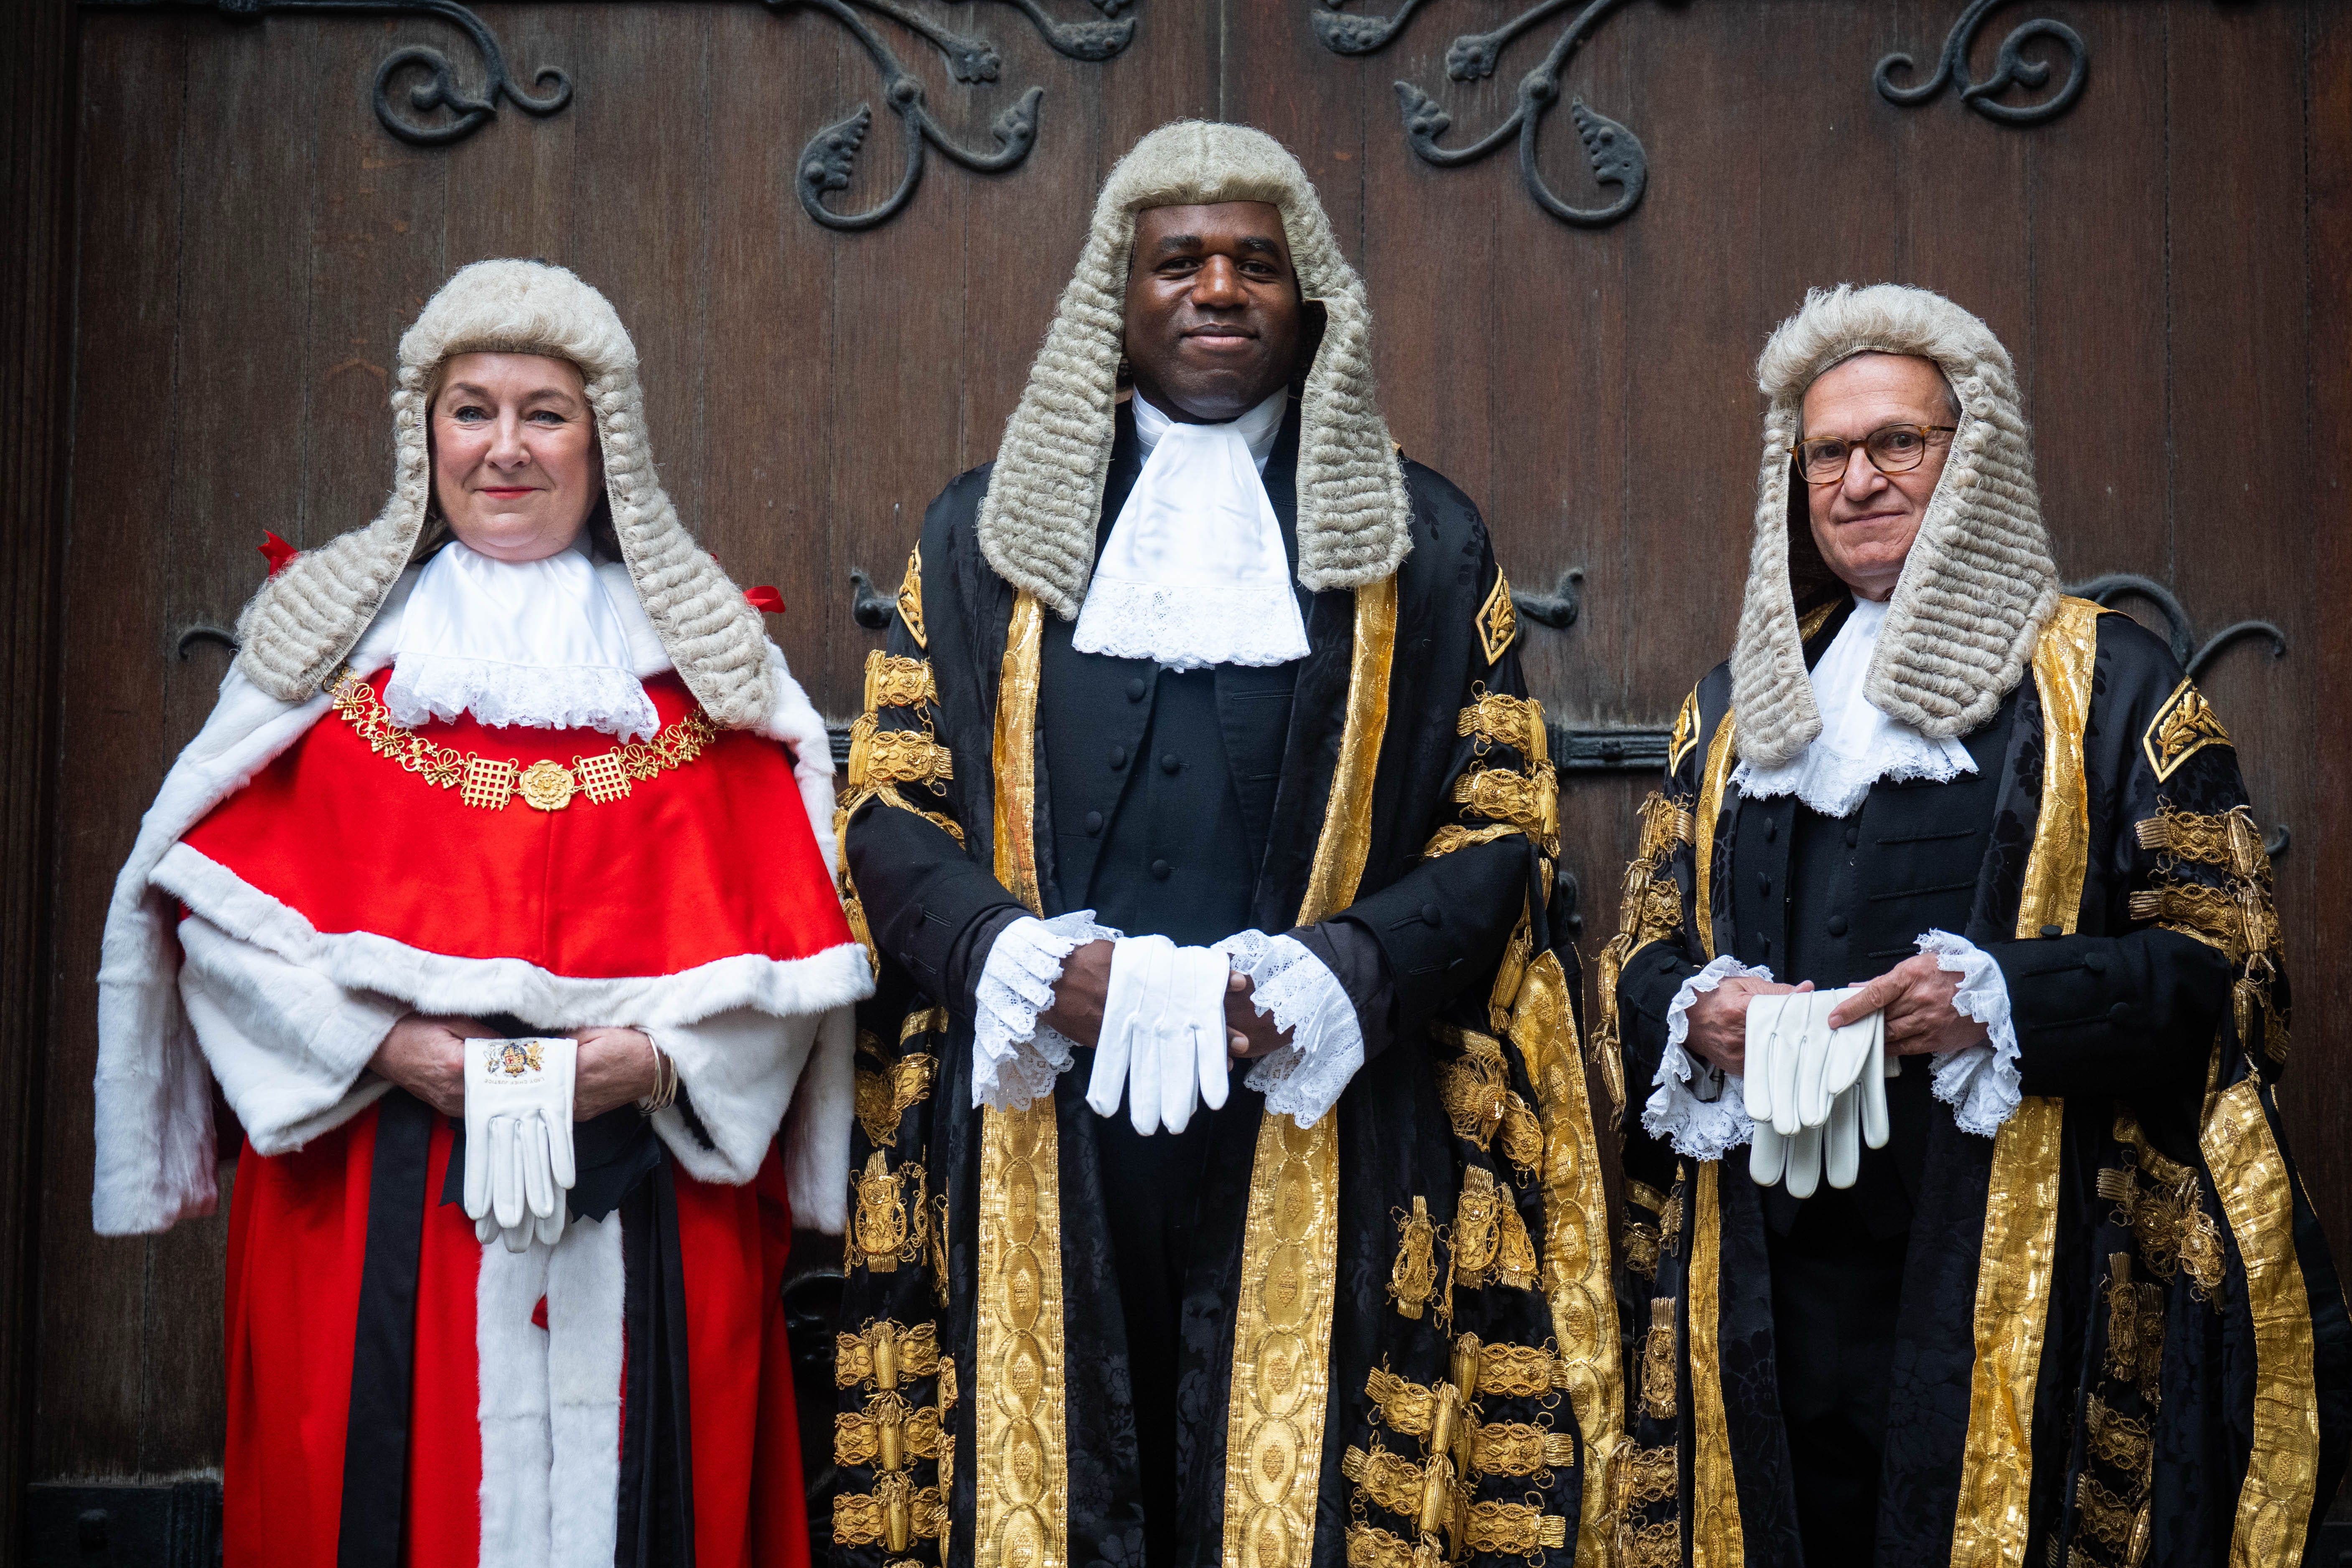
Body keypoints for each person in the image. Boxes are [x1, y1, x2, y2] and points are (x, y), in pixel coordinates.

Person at [826, 121, 1620, 1566]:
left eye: (1256, 262)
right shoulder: (982, 535)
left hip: (1324, 1107)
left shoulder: (1423, 545)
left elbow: (1503, 822)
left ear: (1309, 304)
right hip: (1039, 1105)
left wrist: (1335, 975)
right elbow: (887, 806)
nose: (1216, 288)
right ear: (1115, 301)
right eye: (1176, 260)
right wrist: (1016, 961)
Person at [92, 259, 871, 1568]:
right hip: (371, 1183)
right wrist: (381, 1047)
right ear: (426, 433)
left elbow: (789, 961)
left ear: (604, 437)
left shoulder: (714, 676)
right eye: (472, 408)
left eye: (545, 411)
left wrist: (665, 1061)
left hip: (649, 1187)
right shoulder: (328, 664)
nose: (505, 447)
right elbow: (211, 929)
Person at [1597, 282, 2351, 1565]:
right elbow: (1638, 946)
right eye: (1827, 452)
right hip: (1772, 1269)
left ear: (1974, 455)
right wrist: (1698, 1012)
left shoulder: (2110, 684)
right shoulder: (1727, 713)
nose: (1859, 479)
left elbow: (2222, 964)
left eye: (1900, 441)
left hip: (2021, 1259)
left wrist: (1994, 1002)